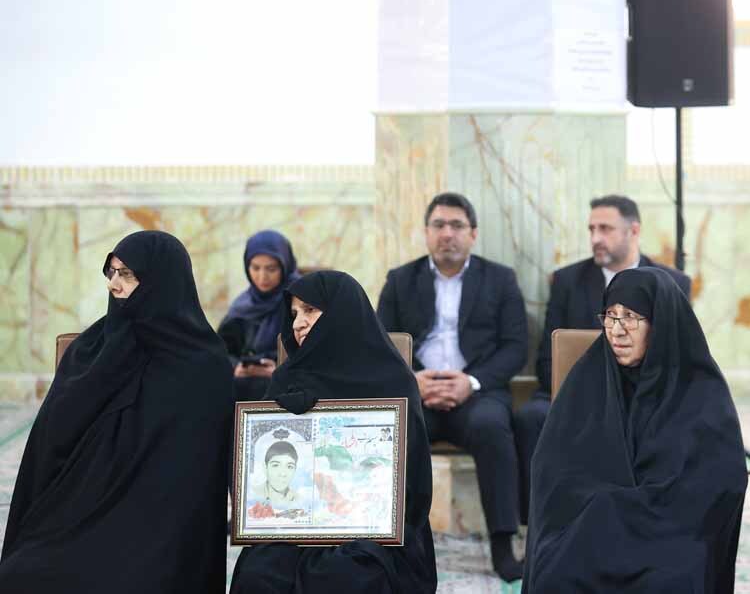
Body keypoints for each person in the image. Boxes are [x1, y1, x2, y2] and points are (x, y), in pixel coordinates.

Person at [0, 230, 233, 593]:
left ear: (161, 281)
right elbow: (48, 447)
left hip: (162, 534)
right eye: (111, 272)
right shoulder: (90, 352)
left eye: (127, 274)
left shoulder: (203, 365)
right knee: (21, 574)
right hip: (78, 515)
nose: (113, 284)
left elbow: (199, 484)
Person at [523, 267, 747, 593]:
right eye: (610, 316)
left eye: (630, 317)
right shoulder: (588, 379)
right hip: (595, 528)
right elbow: (553, 470)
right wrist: (605, 510)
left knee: (672, 578)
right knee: (558, 572)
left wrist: (624, 511)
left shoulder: (700, 390)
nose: (616, 331)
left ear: (660, 323)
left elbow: (720, 483)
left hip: (671, 532)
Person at [231, 271, 437, 593]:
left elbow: (415, 482)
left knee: (350, 574)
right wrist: (286, 416)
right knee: (260, 573)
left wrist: (368, 512)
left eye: (310, 310)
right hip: (293, 527)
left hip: (374, 529)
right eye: (294, 314)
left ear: (343, 313)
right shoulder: (287, 379)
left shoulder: (391, 380)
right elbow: (258, 470)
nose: (298, 324)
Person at [377, 192, 528, 582]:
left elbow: (515, 347)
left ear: (473, 233)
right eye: (439, 225)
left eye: (457, 225)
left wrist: (471, 382)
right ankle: (392, 544)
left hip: (476, 392)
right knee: (394, 429)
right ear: (426, 232)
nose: (448, 233)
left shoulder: (500, 279)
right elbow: (381, 343)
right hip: (418, 392)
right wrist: (413, 381)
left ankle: (502, 545)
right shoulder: (400, 280)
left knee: (493, 428)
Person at [513, 194, 692, 519]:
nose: (595, 238)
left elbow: (676, 354)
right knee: (531, 416)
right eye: (591, 229)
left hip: (643, 393)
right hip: (577, 393)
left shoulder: (672, 283)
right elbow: (547, 361)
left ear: (633, 231)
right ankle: (537, 522)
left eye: (605, 229)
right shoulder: (567, 281)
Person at [218, 229, 301, 402]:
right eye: (255, 268)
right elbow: (221, 351)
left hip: (288, 391)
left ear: (284, 266)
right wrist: (237, 367)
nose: (262, 276)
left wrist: (279, 367)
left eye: (271, 268)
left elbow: (312, 350)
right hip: (243, 390)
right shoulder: (241, 306)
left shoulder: (300, 301)